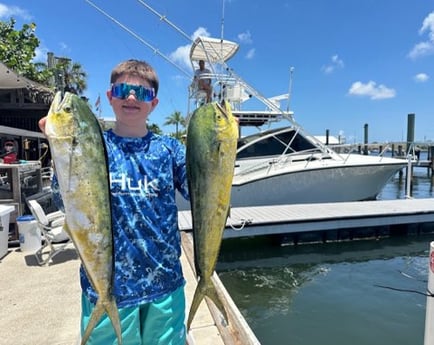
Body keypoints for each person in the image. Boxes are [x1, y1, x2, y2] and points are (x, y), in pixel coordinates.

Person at [39, 59, 189, 345]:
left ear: (154, 103)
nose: (131, 97)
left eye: (142, 93)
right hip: (107, 287)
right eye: (123, 90)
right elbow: (63, 200)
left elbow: (200, 192)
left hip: (166, 283)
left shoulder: (171, 150)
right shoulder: (90, 144)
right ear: (110, 97)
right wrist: (58, 146)